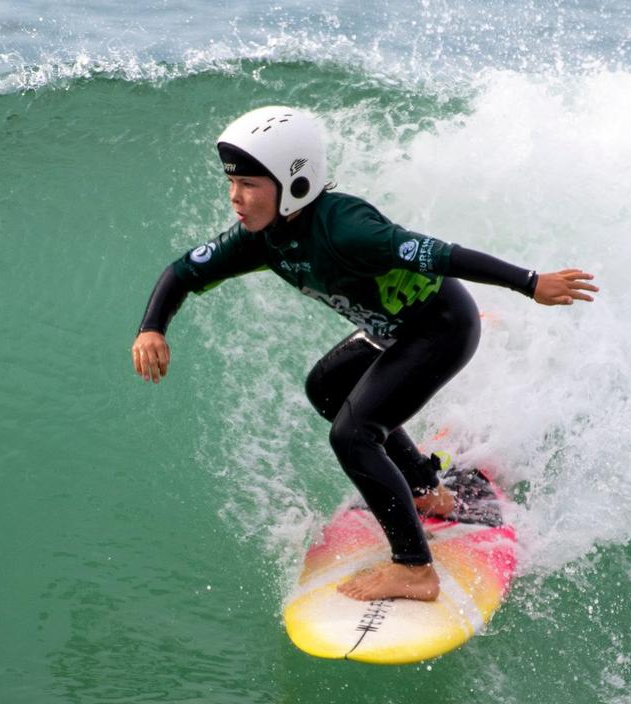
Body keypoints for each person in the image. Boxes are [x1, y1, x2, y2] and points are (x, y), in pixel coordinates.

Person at [132, 106, 597, 602]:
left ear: (294, 182)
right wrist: (152, 328)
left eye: (249, 184)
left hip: (439, 329)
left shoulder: (347, 228)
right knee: (326, 388)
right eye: (232, 183)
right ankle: (423, 487)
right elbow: (183, 272)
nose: (235, 198)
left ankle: (416, 570)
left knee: (353, 434)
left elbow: (439, 254)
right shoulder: (262, 239)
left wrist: (529, 283)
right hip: (390, 329)